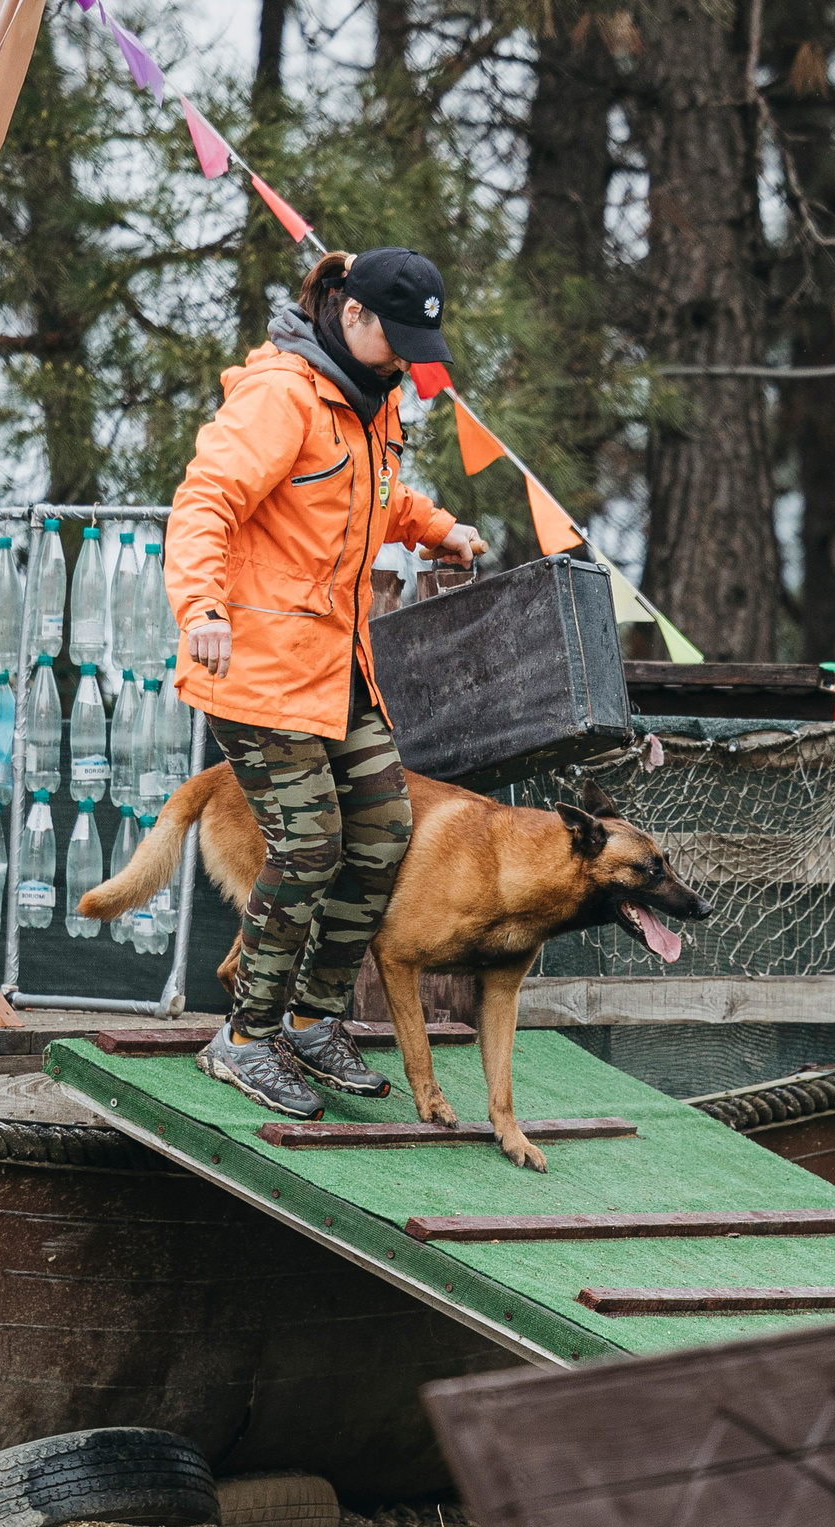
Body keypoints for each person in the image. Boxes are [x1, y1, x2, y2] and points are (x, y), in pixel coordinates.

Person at [165, 247, 487, 1115]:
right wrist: (200, 607)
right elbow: (205, 502)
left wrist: (438, 528)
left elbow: (375, 500)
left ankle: (311, 1019)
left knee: (383, 832)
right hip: (255, 669)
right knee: (308, 850)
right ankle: (244, 1037)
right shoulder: (282, 395)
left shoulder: (367, 403)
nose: (411, 360)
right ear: (352, 317)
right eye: (401, 338)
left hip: (336, 671)